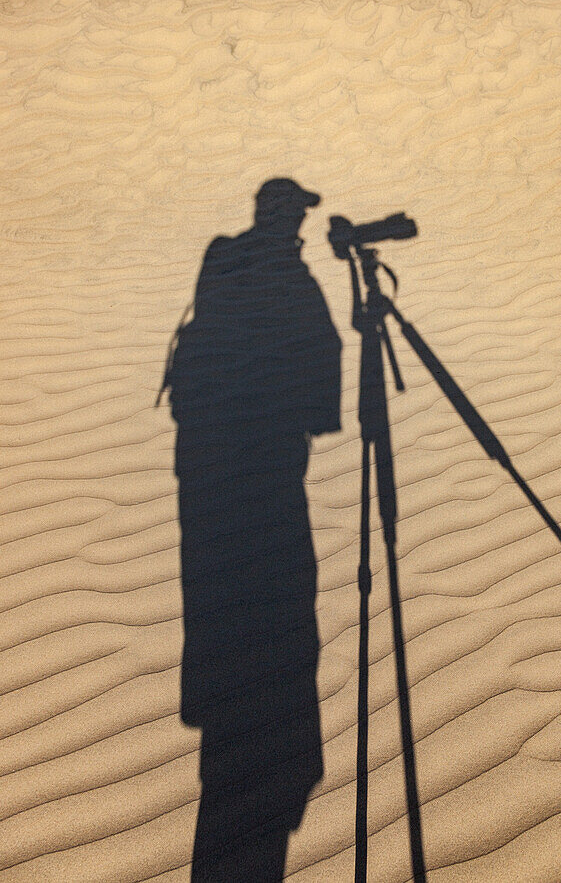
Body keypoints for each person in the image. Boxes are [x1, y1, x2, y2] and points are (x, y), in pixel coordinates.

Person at [165, 179, 341, 881]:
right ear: (288, 217)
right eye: (297, 213)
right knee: (281, 592)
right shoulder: (293, 281)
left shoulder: (220, 260)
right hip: (265, 469)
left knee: (221, 587)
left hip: (207, 473)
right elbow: (322, 377)